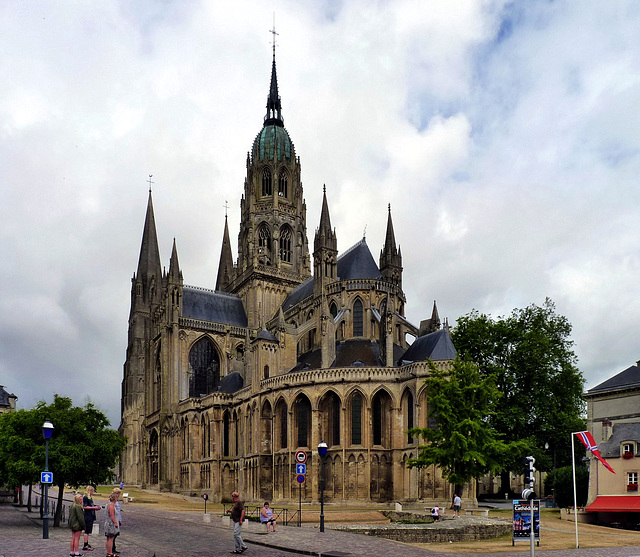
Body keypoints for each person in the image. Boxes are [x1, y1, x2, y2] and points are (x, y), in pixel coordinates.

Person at [82, 485, 100, 552]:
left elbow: (90, 506)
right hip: (87, 515)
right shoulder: (86, 497)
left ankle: (86, 543)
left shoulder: (90, 497)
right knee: (87, 530)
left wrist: (95, 507)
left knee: (89, 530)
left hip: (91, 515)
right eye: (92, 491)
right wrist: (93, 508)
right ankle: (85, 544)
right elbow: (85, 507)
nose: (93, 492)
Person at [69, 492, 86, 556]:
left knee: (73, 538)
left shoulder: (72, 505)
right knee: (76, 539)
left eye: (82, 499)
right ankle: (76, 552)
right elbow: (80, 518)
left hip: (72, 524)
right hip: (77, 524)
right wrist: (83, 526)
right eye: (80, 499)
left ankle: (72, 551)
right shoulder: (78, 507)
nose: (81, 501)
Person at [104, 492, 120, 557]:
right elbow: (111, 514)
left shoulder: (108, 504)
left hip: (108, 523)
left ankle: (108, 552)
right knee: (111, 538)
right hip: (111, 523)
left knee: (109, 538)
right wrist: (115, 522)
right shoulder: (111, 505)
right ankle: (109, 553)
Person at [111, 488, 123, 555]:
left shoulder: (117, 501)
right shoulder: (113, 502)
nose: (119, 495)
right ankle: (112, 549)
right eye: (118, 493)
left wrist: (120, 520)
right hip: (115, 519)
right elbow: (114, 512)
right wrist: (116, 521)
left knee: (115, 535)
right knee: (113, 535)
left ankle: (113, 548)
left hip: (117, 519)